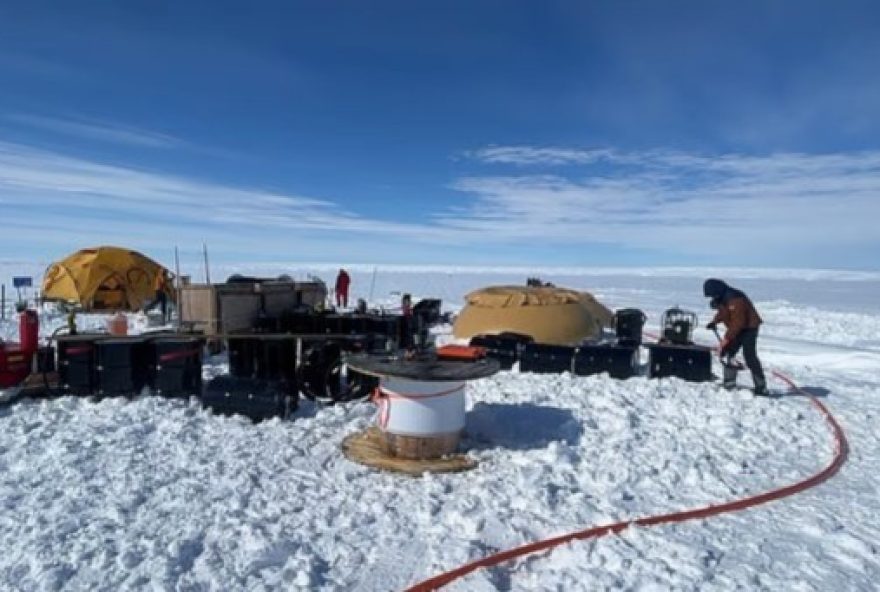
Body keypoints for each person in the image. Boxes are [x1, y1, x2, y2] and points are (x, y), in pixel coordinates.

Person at [703, 278, 768, 396]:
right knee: (728, 352)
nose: (713, 298)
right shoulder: (723, 297)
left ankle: (761, 387)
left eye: (713, 295)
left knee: (750, 357)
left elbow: (738, 322)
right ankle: (729, 382)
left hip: (749, 329)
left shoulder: (736, 299)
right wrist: (715, 321)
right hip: (737, 328)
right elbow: (724, 312)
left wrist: (726, 339)